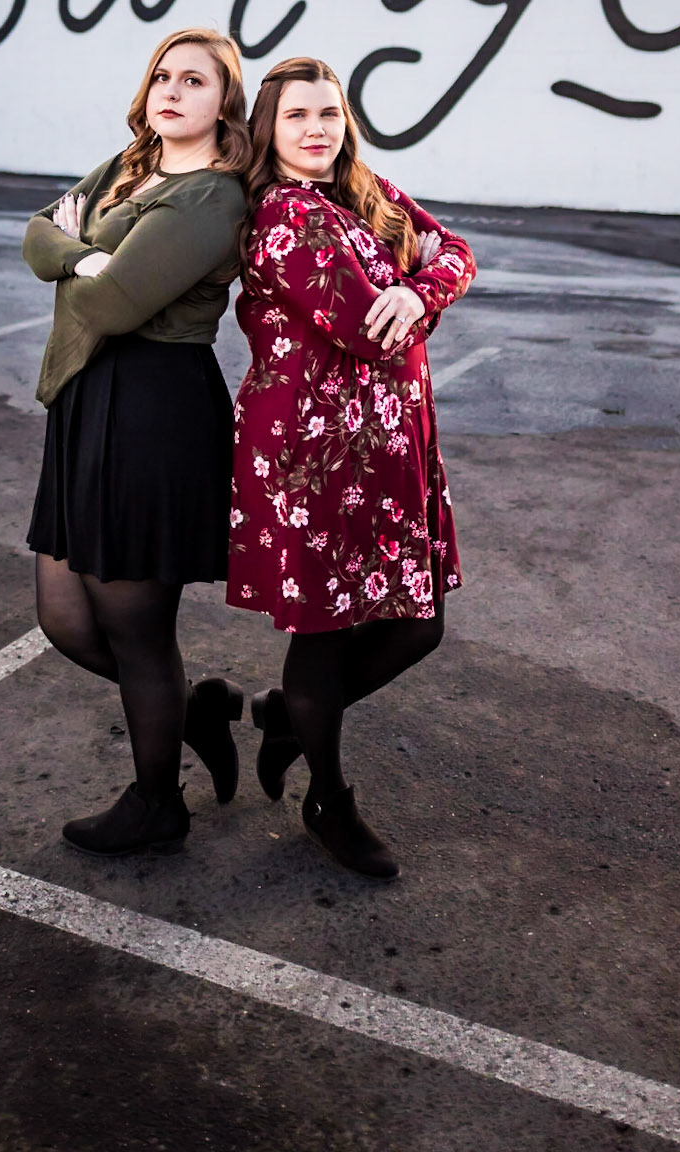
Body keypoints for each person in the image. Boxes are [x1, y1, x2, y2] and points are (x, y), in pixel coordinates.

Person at [227, 56, 475, 879]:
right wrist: (412, 295)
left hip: (389, 448)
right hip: (312, 459)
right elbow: (369, 328)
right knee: (326, 634)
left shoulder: (362, 189)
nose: (316, 129)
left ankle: (285, 717)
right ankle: (325, 797)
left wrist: (420, 290)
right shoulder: (282, 217)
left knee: (417, 624)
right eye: (298, 115)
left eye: (329, 113)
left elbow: (457, 249)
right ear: (270, 128)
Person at [22, 27, 250, 858]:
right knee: (64, 619)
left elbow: (116, 308)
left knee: (133, 628)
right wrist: (86, 260)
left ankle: (158, 804)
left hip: (154, 410)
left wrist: (77, 263)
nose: (172, 91)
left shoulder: (214, 197)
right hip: (86, 401)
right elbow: (35, 232)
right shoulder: (131, 163)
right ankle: (194, 712)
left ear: (225, 102)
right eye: (162, 75)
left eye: (194, 80)